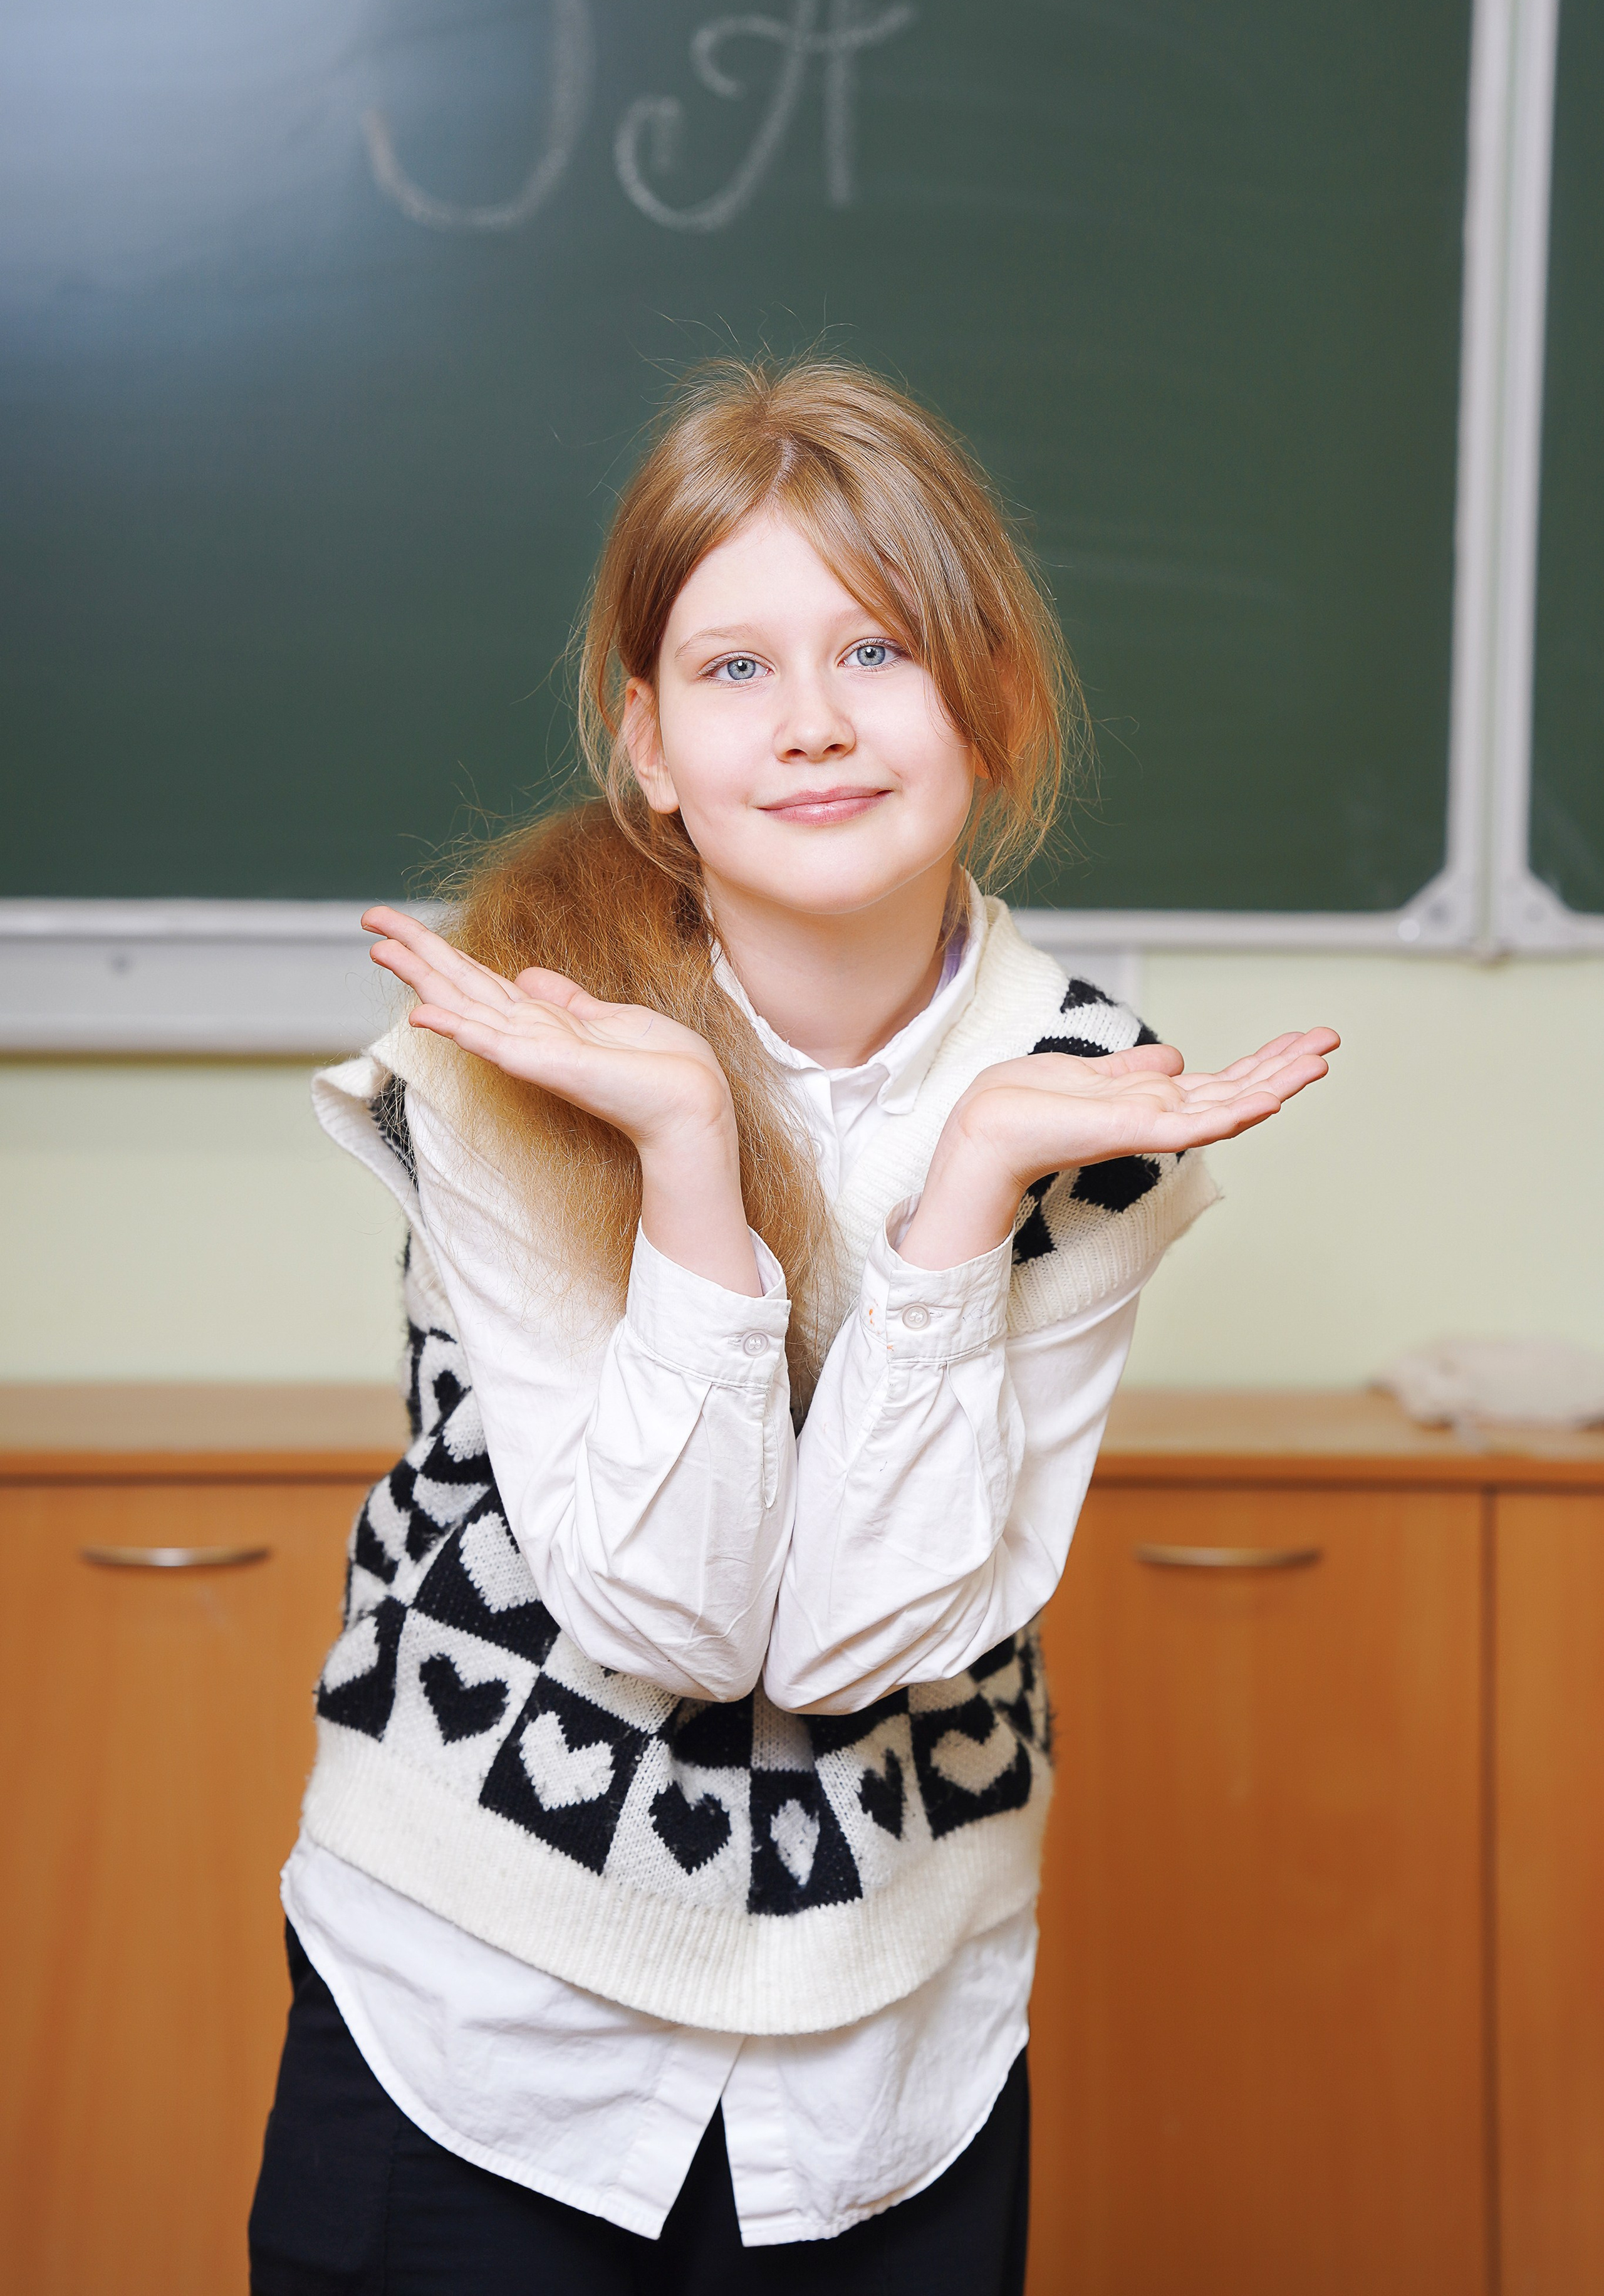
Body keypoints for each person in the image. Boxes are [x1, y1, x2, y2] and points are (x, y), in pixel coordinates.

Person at [249, 356, 1336, 2294]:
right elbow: (667, 1625)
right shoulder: (521, 1037)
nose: (816, 725)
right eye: (736, 669)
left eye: (880, 652)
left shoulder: (1084, 1096)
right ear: (647, 740)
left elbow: (852, 1647)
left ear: (987, 707)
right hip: (476, 2015)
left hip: (884, 2047)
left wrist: (961, 1203)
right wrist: (681, 1152)